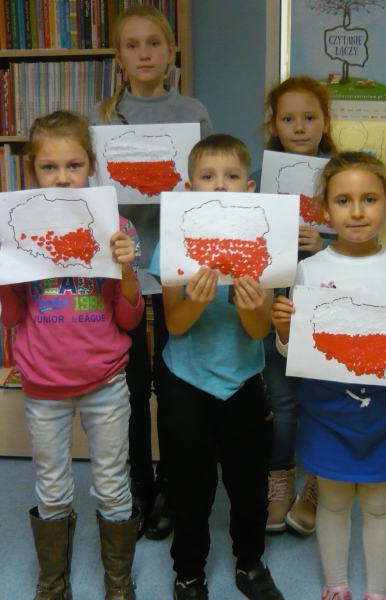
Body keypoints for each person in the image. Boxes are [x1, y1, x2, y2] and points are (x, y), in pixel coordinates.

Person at [0, 110, 144, 600]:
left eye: (74, 165)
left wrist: (126, 269)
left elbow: (129, 320)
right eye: (49, 167)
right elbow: (8, 316)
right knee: (51, 487)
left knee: (112, 483)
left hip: (105, 379)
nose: (63, 178)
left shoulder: (117, 227)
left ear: (91, 166)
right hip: (43, 383)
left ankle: (118, 581)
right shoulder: (14, 228)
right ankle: (53, 582)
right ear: (32, 170)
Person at [272, 152, 386, 600]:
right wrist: (284, 330)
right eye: (343, 200)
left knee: (380, 505)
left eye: (369, 199)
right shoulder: (309, 269)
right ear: (325, 211)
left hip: (384, 415)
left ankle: (378, 591)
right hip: (326, 413)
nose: (356, 211)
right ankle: (336, 585)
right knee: (332, 503)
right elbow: (295, 352)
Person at [147, 134, 283, 600]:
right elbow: (175, 325)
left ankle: (250, 562)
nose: (220, 185)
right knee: (190, 485)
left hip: (243, 381)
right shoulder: (173, 245)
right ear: (189, 189)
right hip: (186, 382)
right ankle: (188, 572)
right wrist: (198, 301)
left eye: (231, 176)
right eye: (207, 176)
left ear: (249, 189)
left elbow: (258, 330)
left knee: (249, 484)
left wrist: (249, 305)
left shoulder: (264, 245)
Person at [96, 4, 213, 540]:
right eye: (132, 45)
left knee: (172, 381)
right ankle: (138, 482)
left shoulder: (192, 111)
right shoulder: (103, 116)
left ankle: (171, 483)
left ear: (171, 52)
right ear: (119, 58)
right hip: (121, 269)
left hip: (174, 266)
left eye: (154, 43)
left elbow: (208, 186)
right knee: (130, 383)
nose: (144, 53)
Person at [251, 76, 339, 535]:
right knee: (281, 399)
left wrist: (324, 241)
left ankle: (319, 483)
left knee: (324, 398)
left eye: (309, 117)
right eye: (288, 119)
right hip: (276, 302)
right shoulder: (258, 180)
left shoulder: (345, 174)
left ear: (325, 121)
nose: (299, 127)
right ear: (275, 124)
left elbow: (366, 237)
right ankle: (279, 481)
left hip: (329, 302)